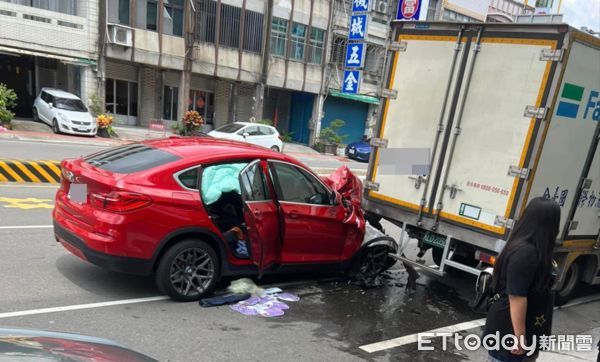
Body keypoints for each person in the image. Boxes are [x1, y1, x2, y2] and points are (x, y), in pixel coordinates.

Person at [483, 197, 561, 362]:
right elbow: (516, 296)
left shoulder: (532, 248)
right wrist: (519, 337)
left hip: (523, 328)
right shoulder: (526, 253)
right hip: (510, 333)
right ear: (550, 224)